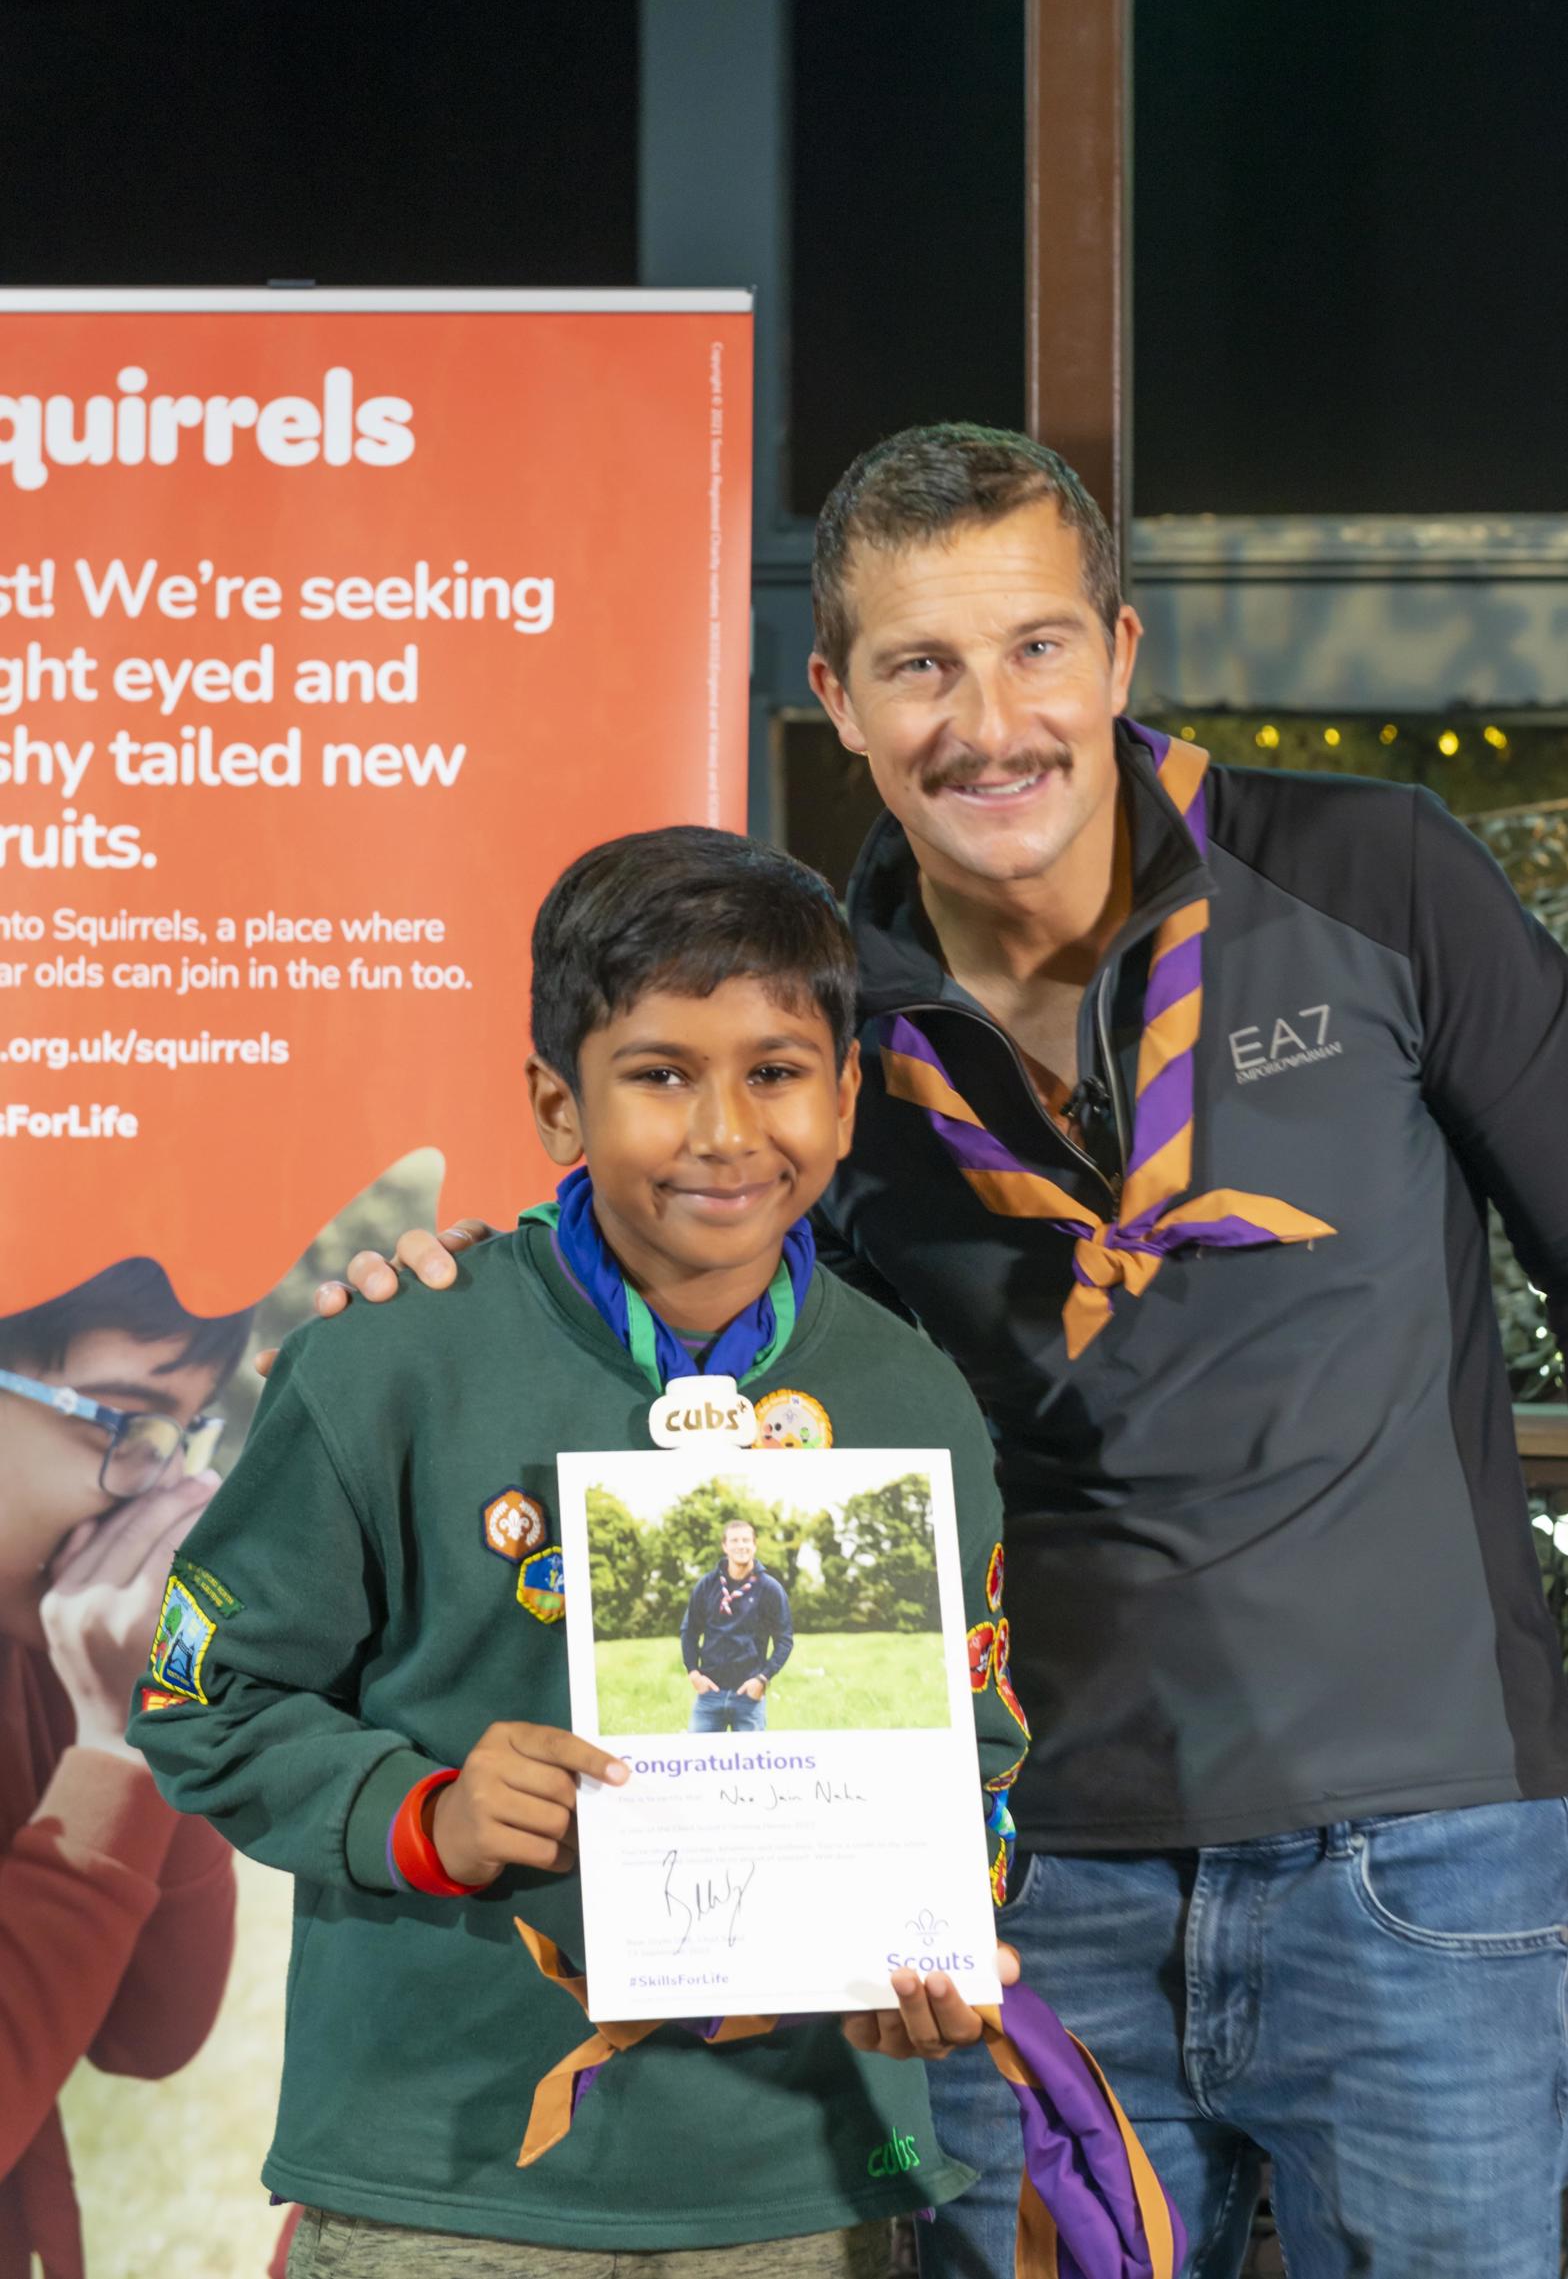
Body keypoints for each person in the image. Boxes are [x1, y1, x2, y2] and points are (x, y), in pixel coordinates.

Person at [318, 424, 1568, 2278]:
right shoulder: (811, 1013)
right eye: (921, 665)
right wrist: (440, 1298)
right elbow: (680, 1327)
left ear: (1120, 655)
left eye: (1036, 647)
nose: (991, 720)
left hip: (1423, 1849)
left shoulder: (1372, 877)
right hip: (1010, 1872)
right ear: (835, 697)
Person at [132, 826, 1031, 2279]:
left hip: (799, 2182)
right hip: (446, 2181)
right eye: (661, 1075)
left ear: (848, 1095)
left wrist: (941, 1925)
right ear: (560, 1101)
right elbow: (199, 1696)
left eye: (777, 1072)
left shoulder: (913, 1401)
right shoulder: (391, 1365)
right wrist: (425, 1811)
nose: (727, 1130)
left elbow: (975, 1749)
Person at [0, 1257, 245, 2279]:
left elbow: (150, 2034)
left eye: (185, 1438)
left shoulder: (39, 1644)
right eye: (121, 1424)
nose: (170, 1494)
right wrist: (108, 1752)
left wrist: (147, 1725)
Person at [682, 1518, 793, 1731]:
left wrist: (763, 1679)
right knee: (699, 1760)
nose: (741, 1545)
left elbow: (785, 1640)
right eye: (734, 1541)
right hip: (709, 1696)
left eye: (746, 1540)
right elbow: (689, 1632)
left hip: (749, 1696)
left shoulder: (770, 1589)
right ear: (725, 1546)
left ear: (754, 1545)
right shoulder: (707, 1585)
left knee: (754, 1762)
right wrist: (694, 1673)